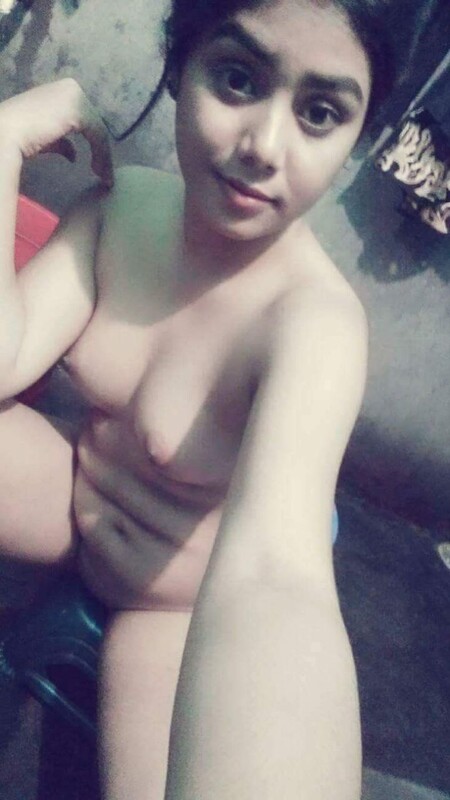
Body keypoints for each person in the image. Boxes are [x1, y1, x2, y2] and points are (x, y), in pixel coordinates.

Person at [0, 0, 395, 797]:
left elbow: (278, 578)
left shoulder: (315, 326)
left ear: (357, 138)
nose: (264, 147)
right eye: (238, 78)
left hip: (172, 609)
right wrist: (3, 142)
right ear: (181, 67)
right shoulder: (121, 208)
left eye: (320, 113)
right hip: (69, 497)